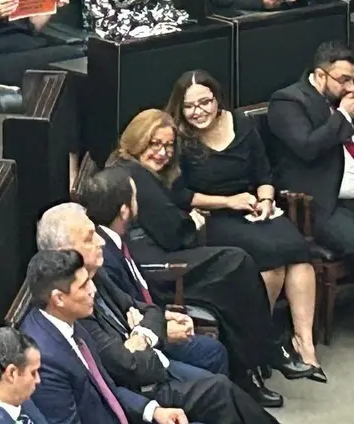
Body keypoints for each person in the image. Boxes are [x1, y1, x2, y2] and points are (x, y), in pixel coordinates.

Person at [107, 110, 310, 385]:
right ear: (137, 139)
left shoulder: (136, 170)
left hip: (160, 257)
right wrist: (192, 221)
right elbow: (175, 233)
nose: (163, 153)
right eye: (155, 143)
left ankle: (251, 366)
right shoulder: (132, 172)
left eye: (168, 146)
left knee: (237, 269)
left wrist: (188, 220)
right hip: (156, 268)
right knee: (237, 263)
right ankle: (264, 353)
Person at [36, 202, 278, 419]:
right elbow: (124, 367)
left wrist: (141, 335)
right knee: (219, 391)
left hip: (147, 367)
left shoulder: (94, 273)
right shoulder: (71, 310)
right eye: (89, 238)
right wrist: (146, 342)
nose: (100, 242)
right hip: (141, 383)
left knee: (219, 378)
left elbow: (147, 309)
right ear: (63, 253)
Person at [81, 167, 283, 408]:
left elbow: (135, 307)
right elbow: (125, 321)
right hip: (141, 353)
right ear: (125, 210)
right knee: (213, 356)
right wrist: (162, 330)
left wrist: (162, 317)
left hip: (150, 320)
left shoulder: (115, 241)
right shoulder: (103, 256)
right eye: (136, 198)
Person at [169, 70, 321, 376]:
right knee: (271, 261)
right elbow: (180, 194)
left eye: (205, 102)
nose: (199, 111)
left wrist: (265, 201)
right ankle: (258, 342)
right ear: (180, 108)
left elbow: (264, 174)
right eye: (190, 106)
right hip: (215, 215)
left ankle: (304, 343)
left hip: (252, 207)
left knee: (297, 252)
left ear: (217, 99)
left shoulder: (239, 122)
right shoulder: (179, 138)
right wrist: (229, 201)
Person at [20, 249, 188, 424]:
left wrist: (153, 411)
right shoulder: (44, 360)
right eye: (83, 285)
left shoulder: (69, 322)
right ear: (59, 299)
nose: (93, 290)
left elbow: (106, 389)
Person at [267, 41, 354, 258]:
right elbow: (308, 147)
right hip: (325, 203)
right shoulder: (287, 101)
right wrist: (343, 116)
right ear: (321, 75)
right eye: (344, 80)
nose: (351, 87)